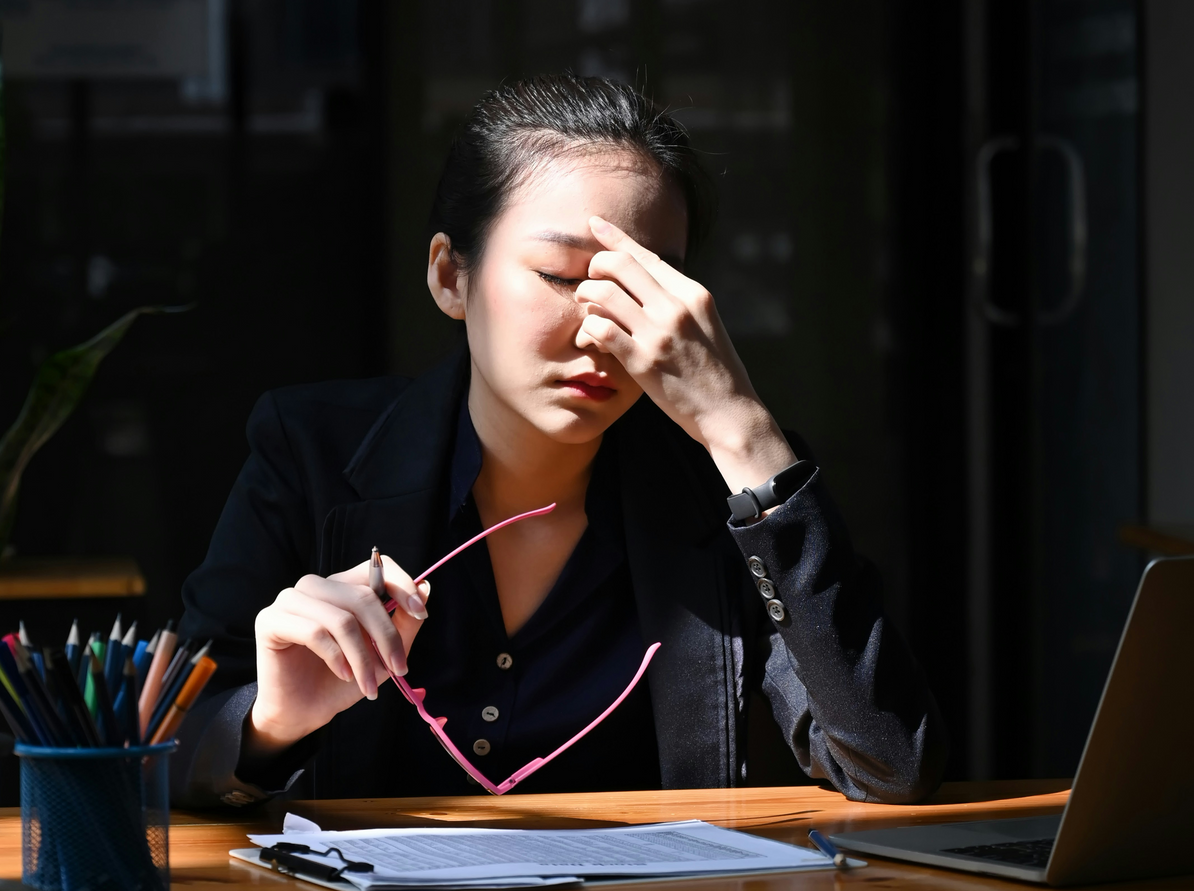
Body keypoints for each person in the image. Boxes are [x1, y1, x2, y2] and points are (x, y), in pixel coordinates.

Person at [170, 74, 947, 808]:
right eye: (562, 276)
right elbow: (159, 749)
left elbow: (889, 766)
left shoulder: (725, 490)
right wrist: (269, 724)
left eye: (643, 287)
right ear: (450, 276)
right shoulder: (310, 454)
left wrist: (740, 427)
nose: (604, 328)